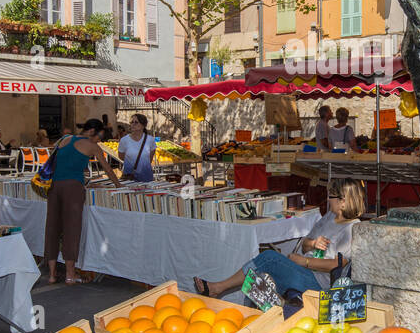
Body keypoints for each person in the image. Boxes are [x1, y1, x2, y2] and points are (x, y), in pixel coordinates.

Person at [196, 178, 366, 299]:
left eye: (332, 197)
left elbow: (336, 265)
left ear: (343, 201)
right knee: (261, 276)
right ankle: (268, 316)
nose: (328, 200)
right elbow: (306, 243)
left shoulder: (352, 228)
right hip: (304, 269)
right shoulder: (330, 216)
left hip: (319, 282)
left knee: (269, 258)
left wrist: (303, 262)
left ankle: (217, 288)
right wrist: (313, 244)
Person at [44, 118, 120, 284]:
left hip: (54, 186)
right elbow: (108, 169)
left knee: (52, 228)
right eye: (99, 135)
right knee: (71, 228)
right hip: (73, 188)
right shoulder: (92, 146)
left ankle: (51, 274)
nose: (99, 139)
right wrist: (119, 185)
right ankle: (70, 274)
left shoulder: (64, 140)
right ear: (92, 132)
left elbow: (55, 162)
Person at [118, 113, 156, 182]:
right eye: (132, 122)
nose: (133, 124)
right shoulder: (124, 140)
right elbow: (121, 156)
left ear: (143, 125)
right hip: (129, 176)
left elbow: (150, 158)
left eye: (136, 122)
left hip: (146, 176)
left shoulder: (150, 140)